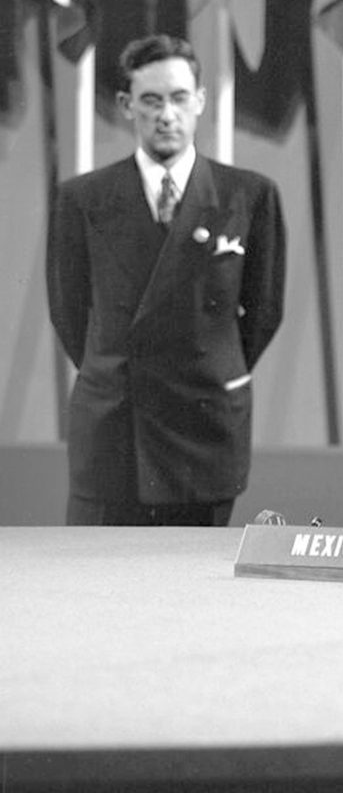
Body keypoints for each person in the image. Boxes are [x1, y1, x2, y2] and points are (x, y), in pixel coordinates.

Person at [46, 34, 286, 526]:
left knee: (194, 590)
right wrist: (116, 368)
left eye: (179, 98)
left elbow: (263, 312)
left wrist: (208, 369)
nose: (166, 114)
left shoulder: (250, 196)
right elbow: (68, 313)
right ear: (125, 105)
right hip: (115, 431)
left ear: (199, 101)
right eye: (151, 100)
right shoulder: (82, 200)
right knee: (96, 590)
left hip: (202, 428)